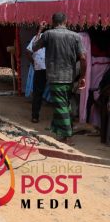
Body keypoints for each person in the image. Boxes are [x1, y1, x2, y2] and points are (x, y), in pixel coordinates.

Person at [33, 13, 87, 145]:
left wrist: (40, 30)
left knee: (60, 106)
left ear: (52, 22)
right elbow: (83, 58)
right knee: (65, 105)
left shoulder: (48, 34)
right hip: (70, 77)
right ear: (66, 21)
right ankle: (59, 132)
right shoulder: (75, 36)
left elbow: (34, 47)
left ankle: (68, 136)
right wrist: (82, 77)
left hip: (55, 76)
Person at [25, 34, 47, 123]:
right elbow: (28, 51)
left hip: (41, 68)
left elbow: (28, 51)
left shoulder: (38, 37)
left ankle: (35, 116)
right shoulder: (39, 37)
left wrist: (34, 62)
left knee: (37, 93)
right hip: (50, 68)